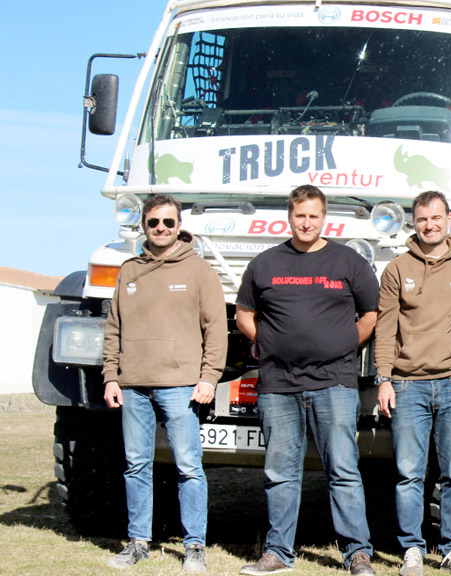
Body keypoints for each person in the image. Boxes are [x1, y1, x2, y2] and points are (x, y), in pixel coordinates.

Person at [235, 185, 379, 576]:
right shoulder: (265, 264)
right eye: (300, 216)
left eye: (314, 216)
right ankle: (278, 553)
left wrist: (348, 343)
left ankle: (357, 554)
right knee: (281, 472)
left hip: (334, 382)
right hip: (278, 385)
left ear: (323, 218)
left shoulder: (348, 262)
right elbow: (243, 313)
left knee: (343, 471)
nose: (306, 223)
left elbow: (371, 313)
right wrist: (262, 340)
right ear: (290, 217)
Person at [102, 194, 227, 572]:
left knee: (189, 466)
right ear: (143, 225)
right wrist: (111, 376)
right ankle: (138, 542)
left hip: (180, 386)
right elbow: (114, 329)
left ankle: (194, 548)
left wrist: (208, 378)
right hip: (133, 385)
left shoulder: (199, 272)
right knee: (136, 465)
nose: (161, 229)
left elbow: (216, 330)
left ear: (179, 226)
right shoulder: (128, 271)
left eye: (168, 223)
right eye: (154, 222)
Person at [375, 191, 451, 576]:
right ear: (414, 222)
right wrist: (384, 379)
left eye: (436, 218)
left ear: (448, 221)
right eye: (422, 219)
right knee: (409, 473)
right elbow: (384, 329)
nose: (430, 225)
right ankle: (412, 549)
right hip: (408, 386)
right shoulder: (396, 269)